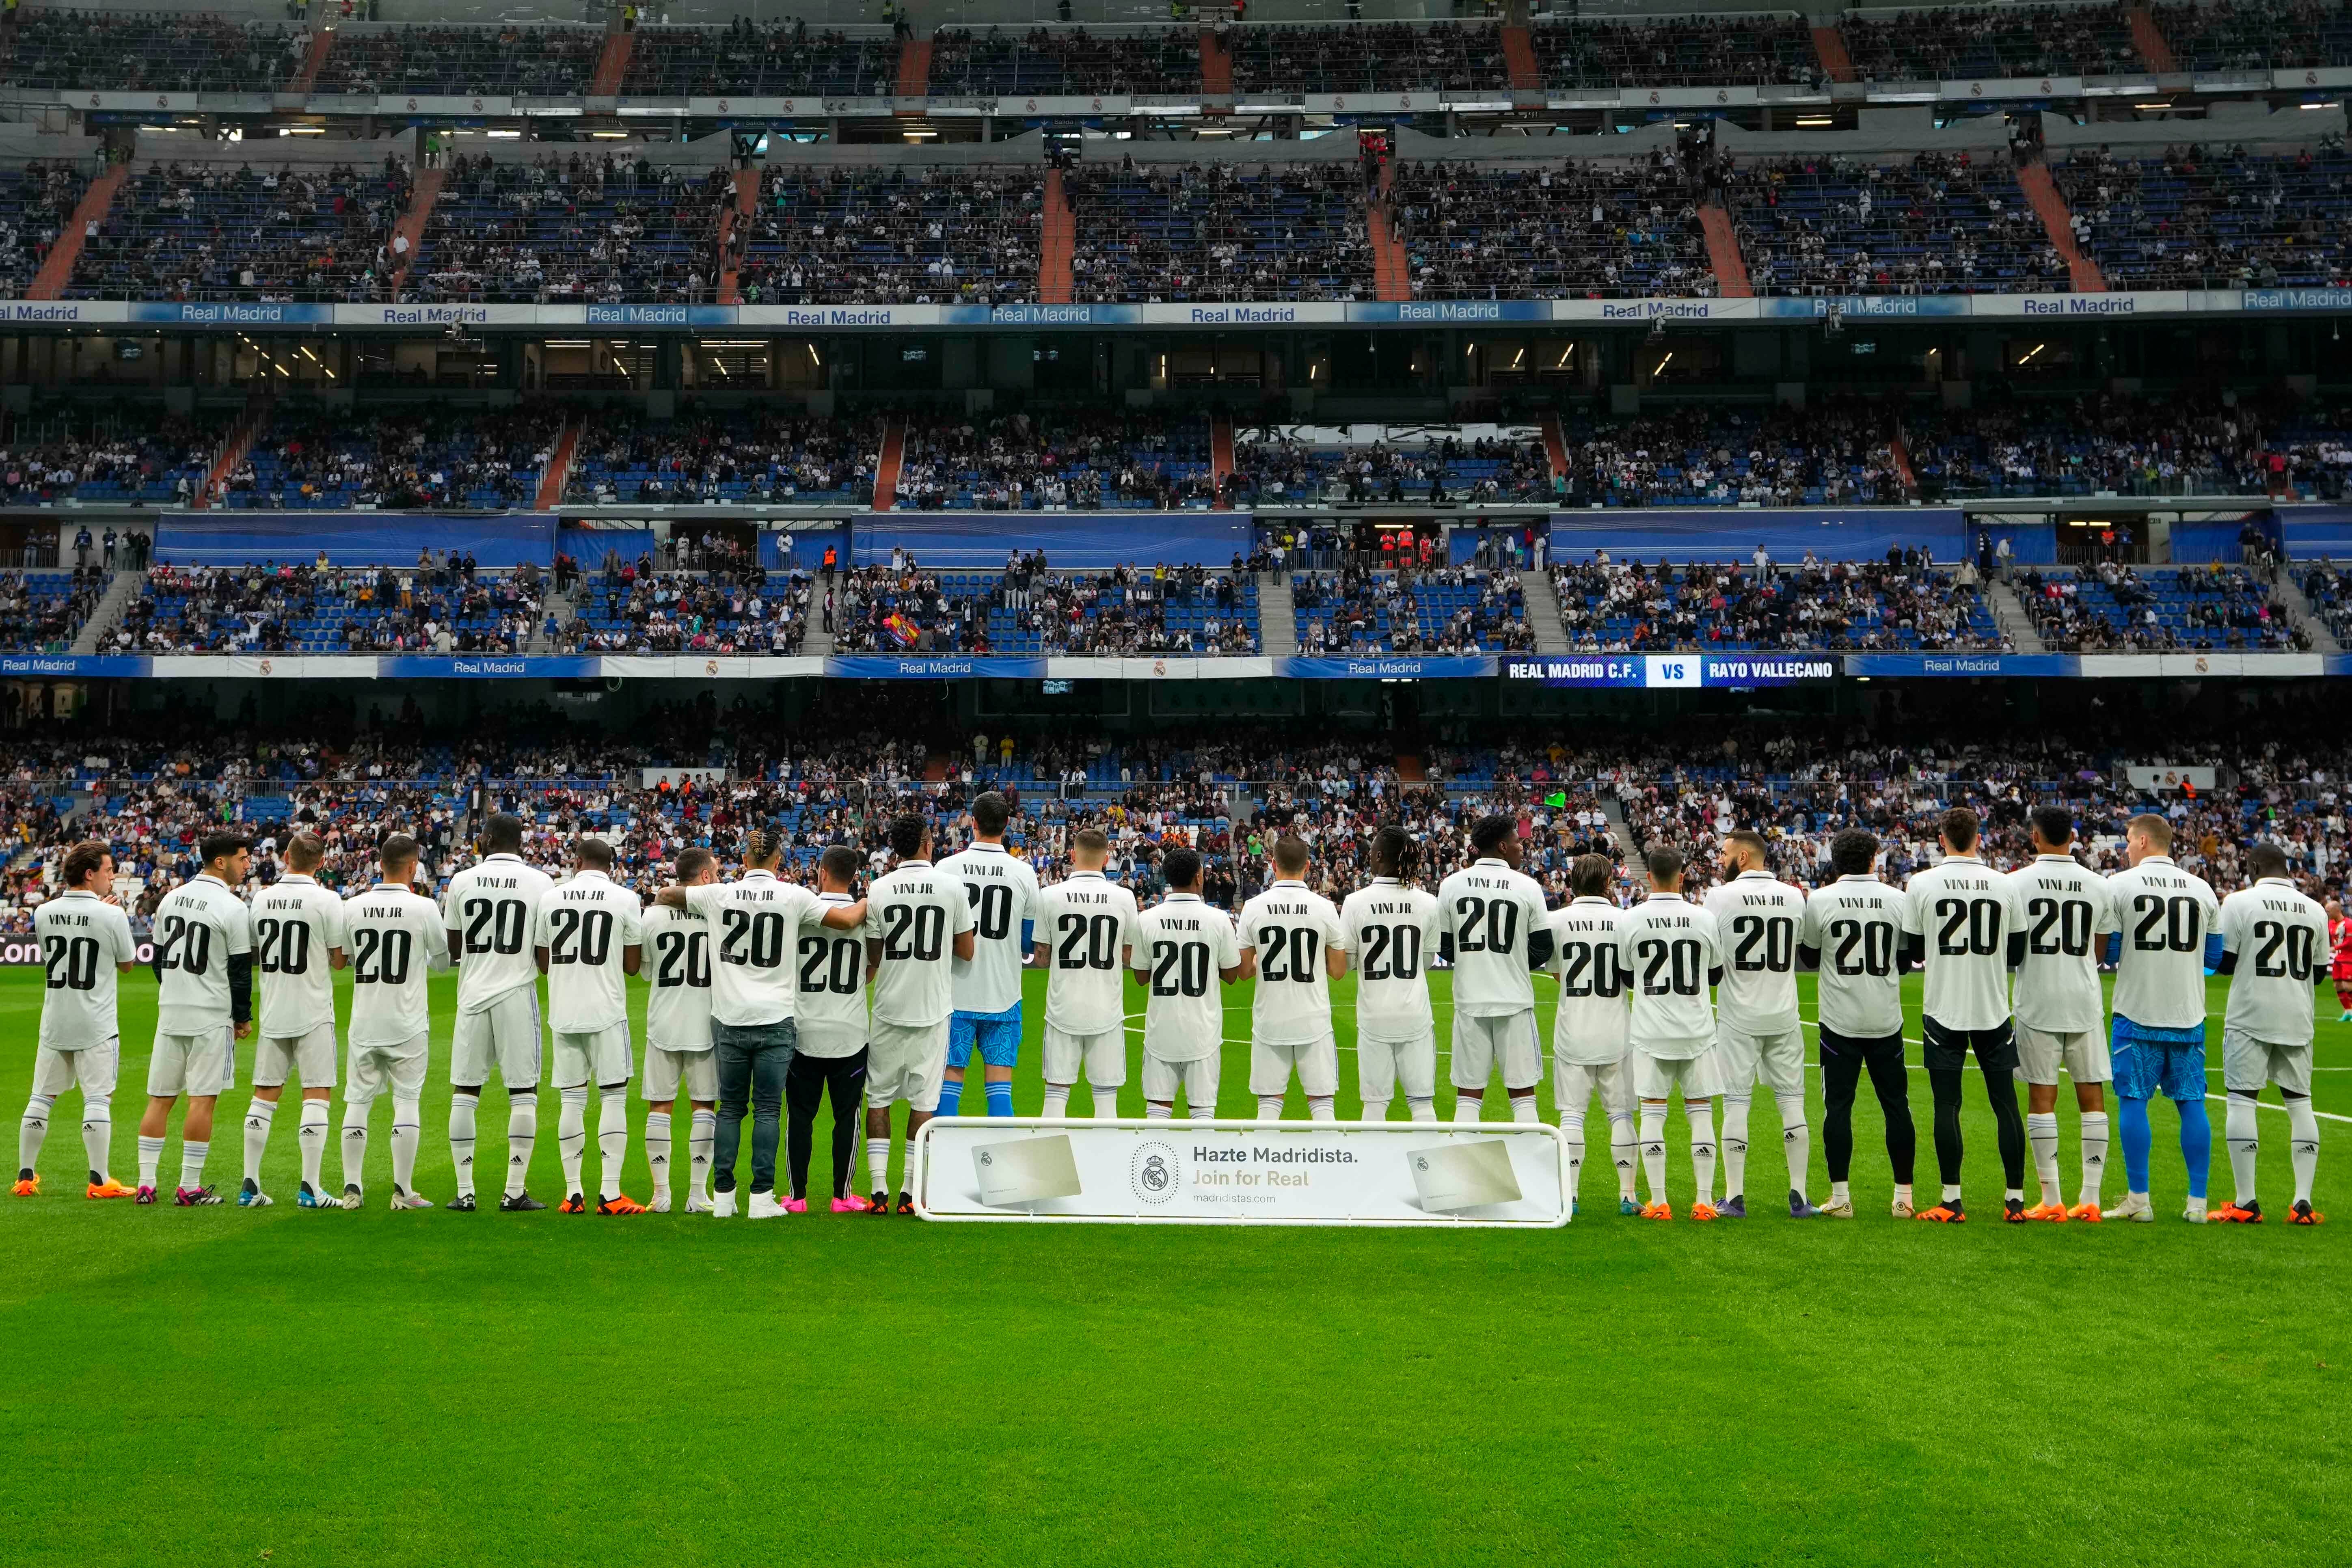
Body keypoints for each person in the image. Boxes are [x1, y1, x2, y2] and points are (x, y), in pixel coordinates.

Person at [655, 824, 865, 1217]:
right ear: (779, 860)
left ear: (743, 860)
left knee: (731, 1108)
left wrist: (675, 893)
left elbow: (667, 893)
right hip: (775, 1017)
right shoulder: (793, 895)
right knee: (768, 1109)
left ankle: (722, 1199)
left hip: (730, 1017)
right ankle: (761, 1199)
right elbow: (847, 920)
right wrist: (872, 900)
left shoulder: (719, 893)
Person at [1902, 807, 2029, 1223]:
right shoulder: (2004, 883)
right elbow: (2016, 952)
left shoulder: (1922, 883)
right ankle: (2014, 1201)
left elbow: (1915, 951)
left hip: (1945, 1008)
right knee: (2006, 1104)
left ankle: (1951, 1200)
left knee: (1947, 1104)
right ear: (1979, 837)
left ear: (1942, 838)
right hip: (1993, 1007)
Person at [2102, 812, 2224, 1223]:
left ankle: (2140, 1198)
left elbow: (2110, 953)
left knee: (2133, 1099)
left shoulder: (2119, 885)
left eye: (2126, 841)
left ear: (2140, 841)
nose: (2123, 849)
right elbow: (2213, 958)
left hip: (2137, 1011)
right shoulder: (2203, 889)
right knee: (2192, 1104)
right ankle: (2198, 1203)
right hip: (2188, 1014)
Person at [2005, 806, 2117, 1221]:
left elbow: (2010, 948)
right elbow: (2101, 951)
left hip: (2037, 999)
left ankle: (2051, 1198)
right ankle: (2090, 1197)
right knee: (2092, 1098)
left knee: (2041, 1098)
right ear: (2073, 835)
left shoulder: (2015, 883)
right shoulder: (2099, 885)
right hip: (2084, 999)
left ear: (2034, 837)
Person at [861, 814, 976, 1216]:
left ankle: (878, 1192)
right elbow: (967, 950)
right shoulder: (951, 887)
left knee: (878, 1098)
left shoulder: (879, 888)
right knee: (923, 1102)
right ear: (928, 844)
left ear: (895, 846)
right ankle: (909, 1193)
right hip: (932, 1007)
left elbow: (874, 955)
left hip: (890, 1006)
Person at [1799, 829, 1918, 1219]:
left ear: (1835, 861)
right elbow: (1904, 961)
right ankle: (1903, 1198)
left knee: (1837, 1108)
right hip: (1885, 1019)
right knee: (1897, 1107)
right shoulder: (1898, 899)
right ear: (1874, 859)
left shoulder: (1820, 900)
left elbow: (1811, 957)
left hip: (1839, 1022)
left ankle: (1841, 1198)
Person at [441, 813, 555, 1212]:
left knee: (465, 1090)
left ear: (487, 839)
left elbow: (454, 946)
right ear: (520, 841)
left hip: (473, 994)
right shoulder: (541, 882)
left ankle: (465, 1191)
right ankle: (513, 1191)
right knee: (523, 1093)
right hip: (516, 992)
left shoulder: (461, 880)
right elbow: (545, 956)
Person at [1701, 829, 1816, 1218]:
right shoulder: (1793, 896)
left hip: (1739, 1015)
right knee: (1791, 1102)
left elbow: (1711, 956)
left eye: (1725, 853)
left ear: (1744, 858)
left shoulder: (1719, 897)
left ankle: (1734, 1198)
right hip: (1784, 1013)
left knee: (1736, 1102)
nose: (1720, 859)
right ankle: (1798, 1196)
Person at [2212, 844, 2329, 1225]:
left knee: (2242, 1102)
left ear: (2254, 866)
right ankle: (2302, 1203)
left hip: (2250, 1015)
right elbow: (2319, 973)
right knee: (2300, 1104)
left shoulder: (2239, 902)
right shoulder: (2314, 909)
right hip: (2297, 1016)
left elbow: (2225, 963)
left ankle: (2246, 1202)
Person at [16, 841, 138, 1200]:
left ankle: (25, 1176)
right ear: (90, 874)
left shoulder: (43, 912)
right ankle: (99, 1181)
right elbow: (128, 964)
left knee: (41, 1097)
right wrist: (113, 916)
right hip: (96, 1022)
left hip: (56, 1019)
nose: (112, 877)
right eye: (108, 870)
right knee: (99, 1099)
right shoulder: (111, 914)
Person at [138, 833, 254, 1206]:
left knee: (159, 1100)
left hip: (171, 1012)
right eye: (242, 858)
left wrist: (177, 989)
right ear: (221, 862)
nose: (247, 864)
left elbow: (157, 960)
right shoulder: (233, 908)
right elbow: (239, 971)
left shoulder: (170, 898)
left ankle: (145, 1184)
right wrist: (243, 1018)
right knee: (201, 1102)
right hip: (210, 1015)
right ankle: (189, 1187)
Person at [532, 837, 646, 1215]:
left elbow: (544, 962)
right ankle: (611, 1194)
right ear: (609, 864)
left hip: (564, 1012)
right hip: (606, 1012)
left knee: (571, 1100)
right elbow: (632, 966)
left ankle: (573, 1193)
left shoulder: (550, 898)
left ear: (577, 862)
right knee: (613, 1097)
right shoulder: (625, 899)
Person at [339, 835, 450, 1210]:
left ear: (379, 864)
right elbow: (441, 960)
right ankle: (402, 1191)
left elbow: (349, 958)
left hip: (365, 1019)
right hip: (407, 1020)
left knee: (357, 1100)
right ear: (413, 866)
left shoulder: (352, 906)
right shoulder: (424, 907)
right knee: (407, 1101)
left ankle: (352, 1190)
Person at [1617, 846, 1723, 1222]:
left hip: (1650, 1031)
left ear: (1648, 877)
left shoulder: (1629, 919)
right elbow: (1715, 975)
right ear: (1683, 876)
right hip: (1696, 1030)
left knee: (1653, 1114)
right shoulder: (1704, 918)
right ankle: (1704, 1201)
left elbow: (1627, 977)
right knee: (1700, 1113)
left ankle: (1659, 1202)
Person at [244, 831, 346, 1209]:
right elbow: (339, 960)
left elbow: (255, 948)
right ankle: (310, 1188)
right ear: (321, 862)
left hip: (273, 1008)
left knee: (264, 1095)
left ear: (285, 856)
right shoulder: (328, 899)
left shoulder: (262, 898)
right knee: (317, 1094)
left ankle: (250, 1185)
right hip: (313, 1010)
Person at [1431, 815, 1553, 1125]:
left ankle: (1463, 1169)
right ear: (1502, 847)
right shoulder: (1527, 886)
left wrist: (1477, 961)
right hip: (1514, 1001)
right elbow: (1542, 946)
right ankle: (1530, 1169)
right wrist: (1508, 961)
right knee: (1523, 1094)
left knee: (1468, 1096)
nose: (1521, 847)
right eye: (1517, 842)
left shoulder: (1451, 885)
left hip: (1470, 1001)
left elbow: (1444, 945)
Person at [1545, 852, 1638, 1215]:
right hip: (1616, 1029)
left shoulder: (1557, 920)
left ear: (1573, 883)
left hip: (1574, 1030)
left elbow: (1557, 974)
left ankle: (1570, 1196)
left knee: (1571, 1116)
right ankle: (1628, 1196)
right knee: (1621, 1115)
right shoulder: (1626, 921)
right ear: (1608, 884)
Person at [937, 790, 1038, 1119]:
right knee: (1000, 1093)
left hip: (953, 995)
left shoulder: (946, 868)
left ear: (973, 823)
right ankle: (1001, 1170)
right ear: (1007, 824)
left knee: (949, 1085)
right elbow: (1027, 944)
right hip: (1003, 996)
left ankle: (942, 1167)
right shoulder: (1024, 873)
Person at [1237, 836, 1349, 1121]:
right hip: (1313, 1018)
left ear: (1273, 865)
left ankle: (1264, 1166)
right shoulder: (1324, 908)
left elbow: (1243, 971)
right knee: (1322, 1105)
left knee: (1268, 1107)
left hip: (1269, 1019)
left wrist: (1263, 958)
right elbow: (1338, 972)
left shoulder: (1252, 907)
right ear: (1308, 866)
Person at [1032, 828, 1140, 1120]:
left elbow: (1041, 959)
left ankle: (1051, 1166)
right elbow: (1129, 957)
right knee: (1106, 1102)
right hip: (1106, 1009)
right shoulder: (1125, 898)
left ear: (1072, 855)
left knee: (1055, 1098)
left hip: (1062, 1008)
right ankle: (1105, 1165)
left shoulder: (1049, 895)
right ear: (1107, 858)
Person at [1134, 848, 1243, 1121]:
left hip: (1161, 1032)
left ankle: (1155, 1166)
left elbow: (1140, 977)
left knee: (1157, 1114)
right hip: (1202, 1032)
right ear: (1199, 877)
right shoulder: (1218, 920)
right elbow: (1232, 976)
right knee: (1202, 1115)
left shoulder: (1146, 919)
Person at [790, 847, 871, 1213]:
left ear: (821, 872)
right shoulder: (865, 915)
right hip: (849, 1029)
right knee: (847, 1116)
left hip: (803, 1027)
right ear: (853, 875)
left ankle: (797, 1196)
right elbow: (872, 968)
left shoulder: (799, 910)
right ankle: (842, 1196)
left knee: (799, 1117)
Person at [1339, 826, 1438, 1124]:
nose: (1368, 856)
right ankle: (1427, 1171)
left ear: (1380, 855)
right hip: (1415, 1014)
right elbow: (1427, 960)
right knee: (1422, 1105)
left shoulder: (1355, 902)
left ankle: (1373, 1172)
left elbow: (1348, 961)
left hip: (1373, 1016)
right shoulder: (1427, 902)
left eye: (1371, 851)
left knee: (1374, 1105)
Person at [639, 847, 718, 1214]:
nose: (717, 878)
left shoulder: (652, 917)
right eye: (715, 872)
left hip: (664, 1020)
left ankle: (662, 1195)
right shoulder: (719, 913)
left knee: (660, 1105)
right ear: (704, 876)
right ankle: (698, 1195)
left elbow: (645, 970)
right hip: (707, 1020)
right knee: (704, 1105)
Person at [2328, 897, 2352, 1023]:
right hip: (2338, 959)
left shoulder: (2349, 924)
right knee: (2338, 985)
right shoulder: (2331, 924)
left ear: (2337, 911)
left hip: (2348, 959)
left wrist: (2334, 948)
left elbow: (2350, 942)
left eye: (2329, 911)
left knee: (2348, 986)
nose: (2327, 914)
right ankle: (2348, 1012)